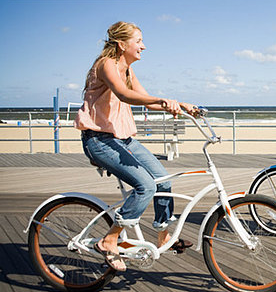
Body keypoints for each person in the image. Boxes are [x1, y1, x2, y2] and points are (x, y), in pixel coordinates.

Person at [74, 21, 199, 271]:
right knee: (146, 185)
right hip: (100, 140)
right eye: (138, 41)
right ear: (122, 44)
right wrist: (162, 99)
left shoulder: (128, 69)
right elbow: (124, 94)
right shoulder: (106, 64)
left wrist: (180, 105)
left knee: (164, 180)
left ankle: (163, 235)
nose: (143, 46)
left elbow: (146, 101)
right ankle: (109, 240)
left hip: (123, 138)